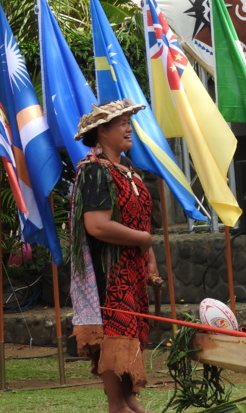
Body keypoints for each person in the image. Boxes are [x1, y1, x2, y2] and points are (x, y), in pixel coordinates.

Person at [70, 99, 159, 413]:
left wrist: (149, 259)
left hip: (131, 270)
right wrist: (144, 239)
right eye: (121, 122)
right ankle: (116, 406)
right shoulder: (94, 172)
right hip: (109, 275)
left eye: (127, 121)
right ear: (102, 131)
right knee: (115, 334)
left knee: (131, 333)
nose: (128, 127)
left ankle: (128, 400)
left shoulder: (127, 171)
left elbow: (138, 223)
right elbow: (97, 225)